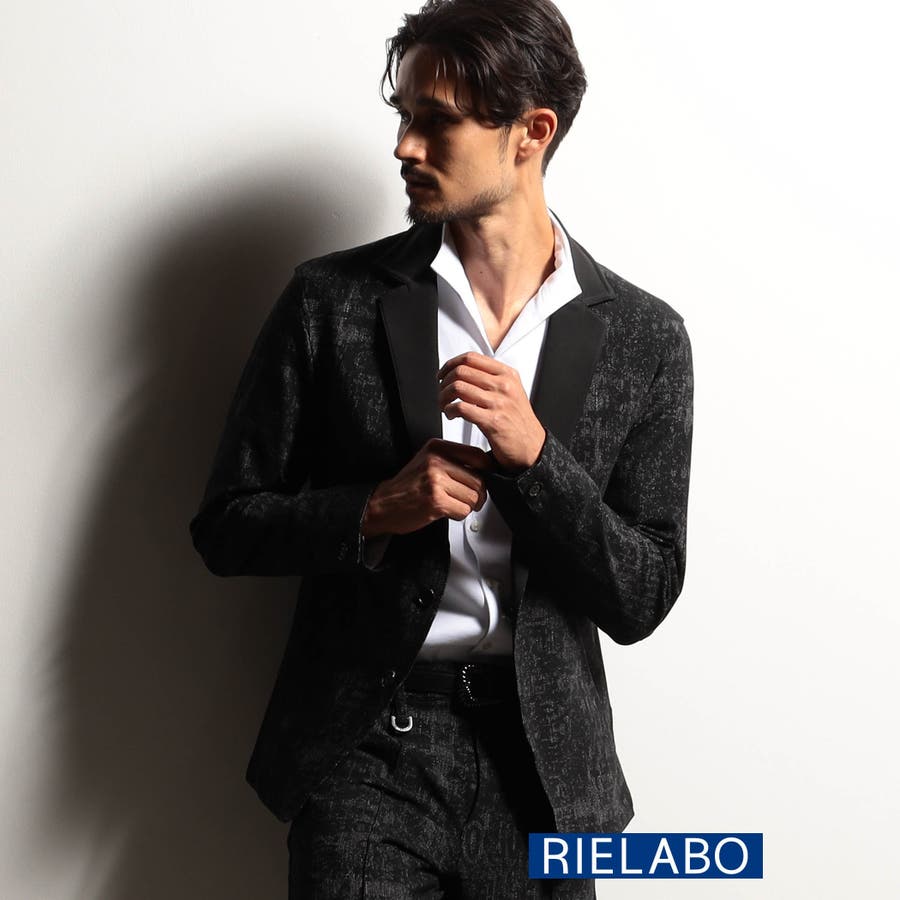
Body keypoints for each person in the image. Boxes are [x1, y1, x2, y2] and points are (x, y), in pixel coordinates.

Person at [189, 0, 693, 896]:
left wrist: (538, 461)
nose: (404, 147)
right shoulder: (330, 301)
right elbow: (227, 525)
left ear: (532, 132)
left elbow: (644, 594)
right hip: (369, 753)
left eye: (438, 120)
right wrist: (377, 509)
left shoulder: (645, 339)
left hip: (546, 775)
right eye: (403, 115)